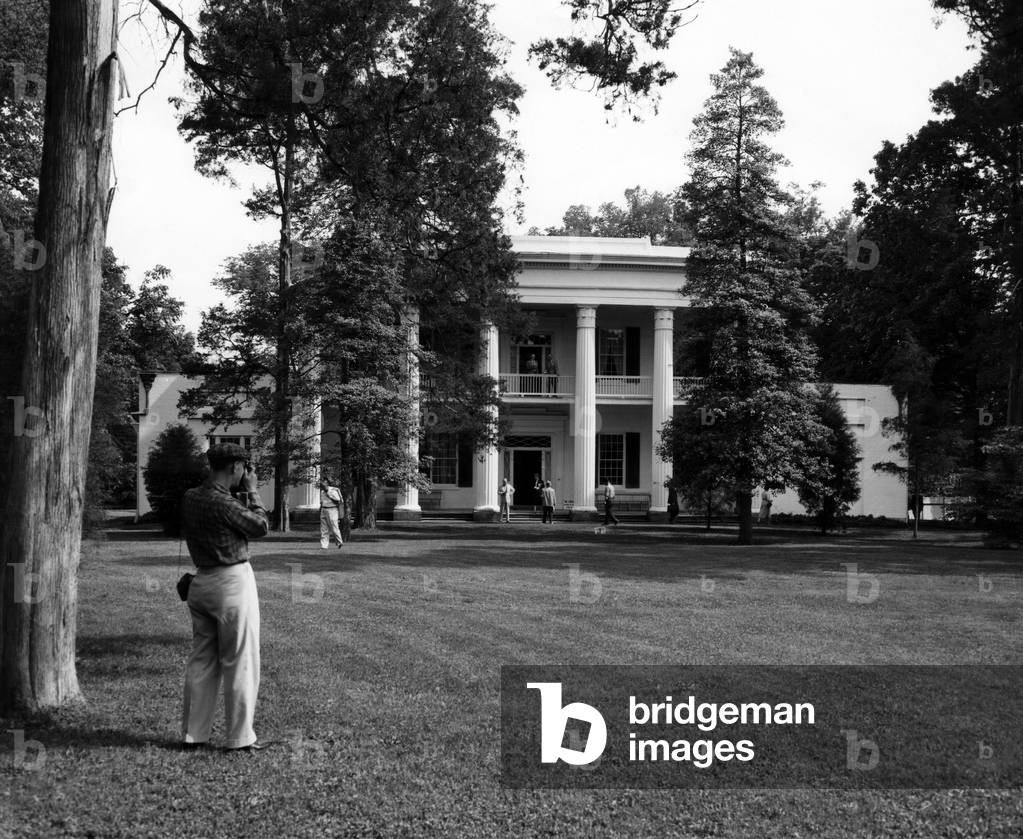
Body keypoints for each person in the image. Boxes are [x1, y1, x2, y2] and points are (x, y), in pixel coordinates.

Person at [180, 443, 270, 752]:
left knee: (202, 660)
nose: (245, 473)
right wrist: (254, 492)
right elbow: (260, 527)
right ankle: (239, 737)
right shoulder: (225, 504)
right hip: (231, 582)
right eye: (244, 467)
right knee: (240, 660)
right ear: (234, 467)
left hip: (200, 581)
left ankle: (194, 734)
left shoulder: (191, 497)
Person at [318, 479, 344, 549]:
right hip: (324, 509)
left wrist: (328, 493)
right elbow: (322, 502)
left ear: (327, 484)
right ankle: (324, 546)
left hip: (332, 509)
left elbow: (339, 500)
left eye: (323, 484)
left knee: (334, 527)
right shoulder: (322, 492)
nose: (321, 485)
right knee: (324, 529)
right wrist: (320, 510)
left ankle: (339, 542)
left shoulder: (334, 490)